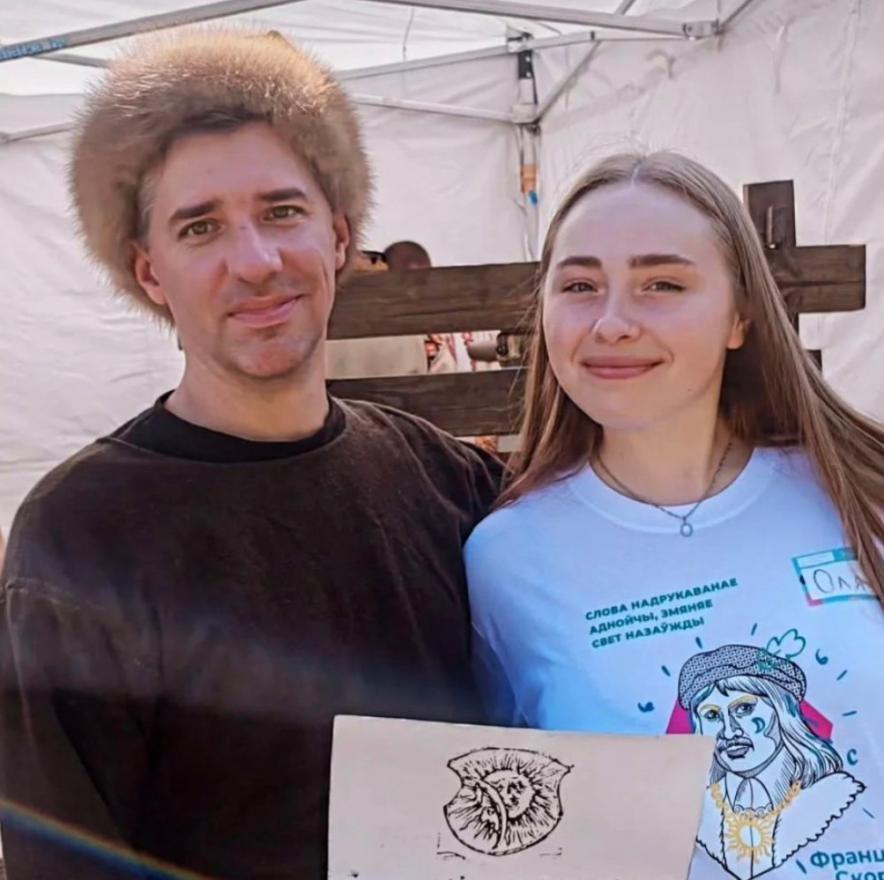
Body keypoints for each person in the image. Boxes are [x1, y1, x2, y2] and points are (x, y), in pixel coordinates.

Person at [0, 29, 501, 880]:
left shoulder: (448, 481)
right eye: (201, 228)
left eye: (282, 212)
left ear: (339, 236)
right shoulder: (83, 538)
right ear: (149, 272)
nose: (256, 262)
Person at [465, 152, 884, 879]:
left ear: (740, 316)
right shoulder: (506, 557)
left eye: (662, 284)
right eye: (580, 286)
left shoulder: (858, 489)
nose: (612, 322)